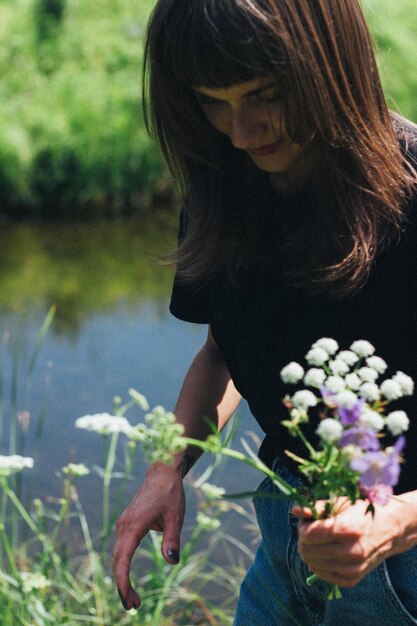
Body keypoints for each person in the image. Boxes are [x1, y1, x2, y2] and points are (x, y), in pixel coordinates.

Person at [112, 0, 417, 623]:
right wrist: (168, 467)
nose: (241, 131)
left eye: (265, 95)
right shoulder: (222, 183)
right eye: (213, 101)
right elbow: (223, 350)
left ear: (331, 66)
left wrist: (396, 522)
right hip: (281, 550)